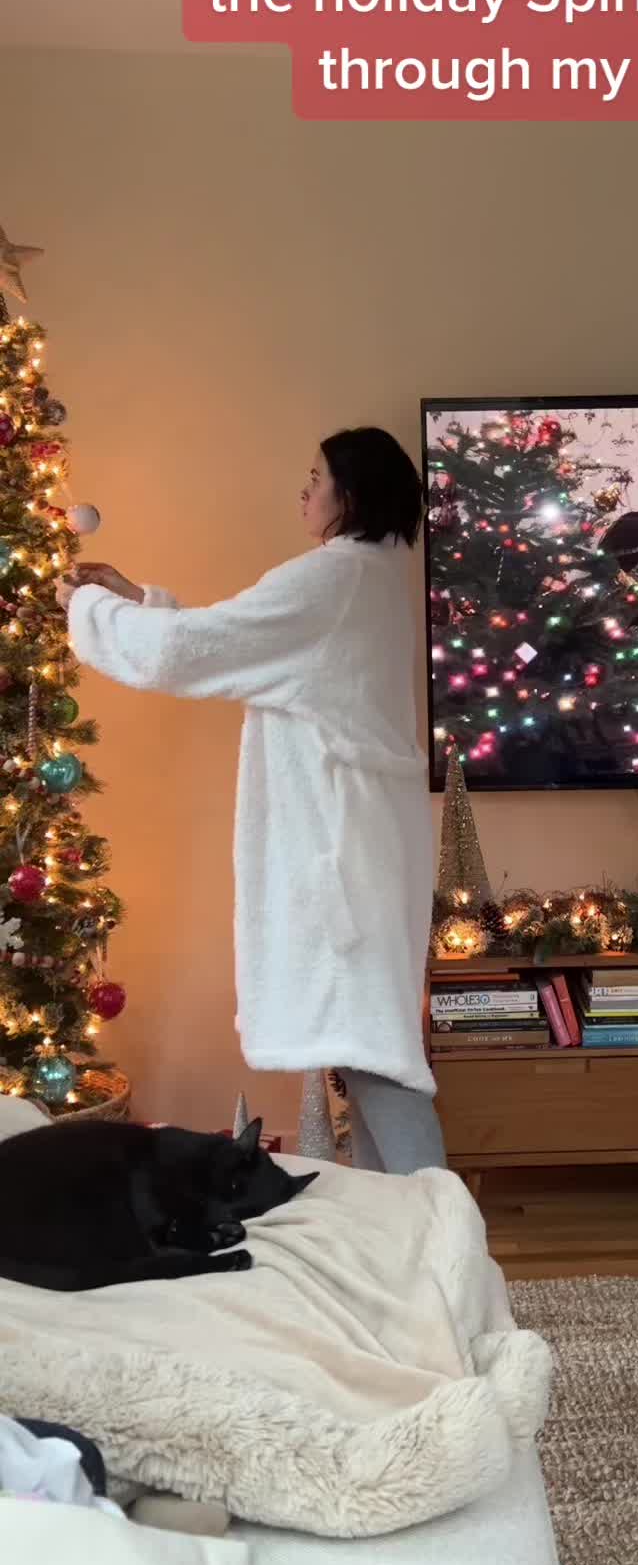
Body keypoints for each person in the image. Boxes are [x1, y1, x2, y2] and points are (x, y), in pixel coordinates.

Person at [56, 427, 445, 1177]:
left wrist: (89, 608)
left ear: (351, 494)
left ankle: (439, 1220)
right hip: (364, 844)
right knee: (368, 1048)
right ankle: (399, 1219)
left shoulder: (334, 578)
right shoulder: (368, 576)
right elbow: (234, 642)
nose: (305, 490)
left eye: (316, 478)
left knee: (375, 1053)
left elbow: (188, 651)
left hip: (342, 851)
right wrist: (137, 598)